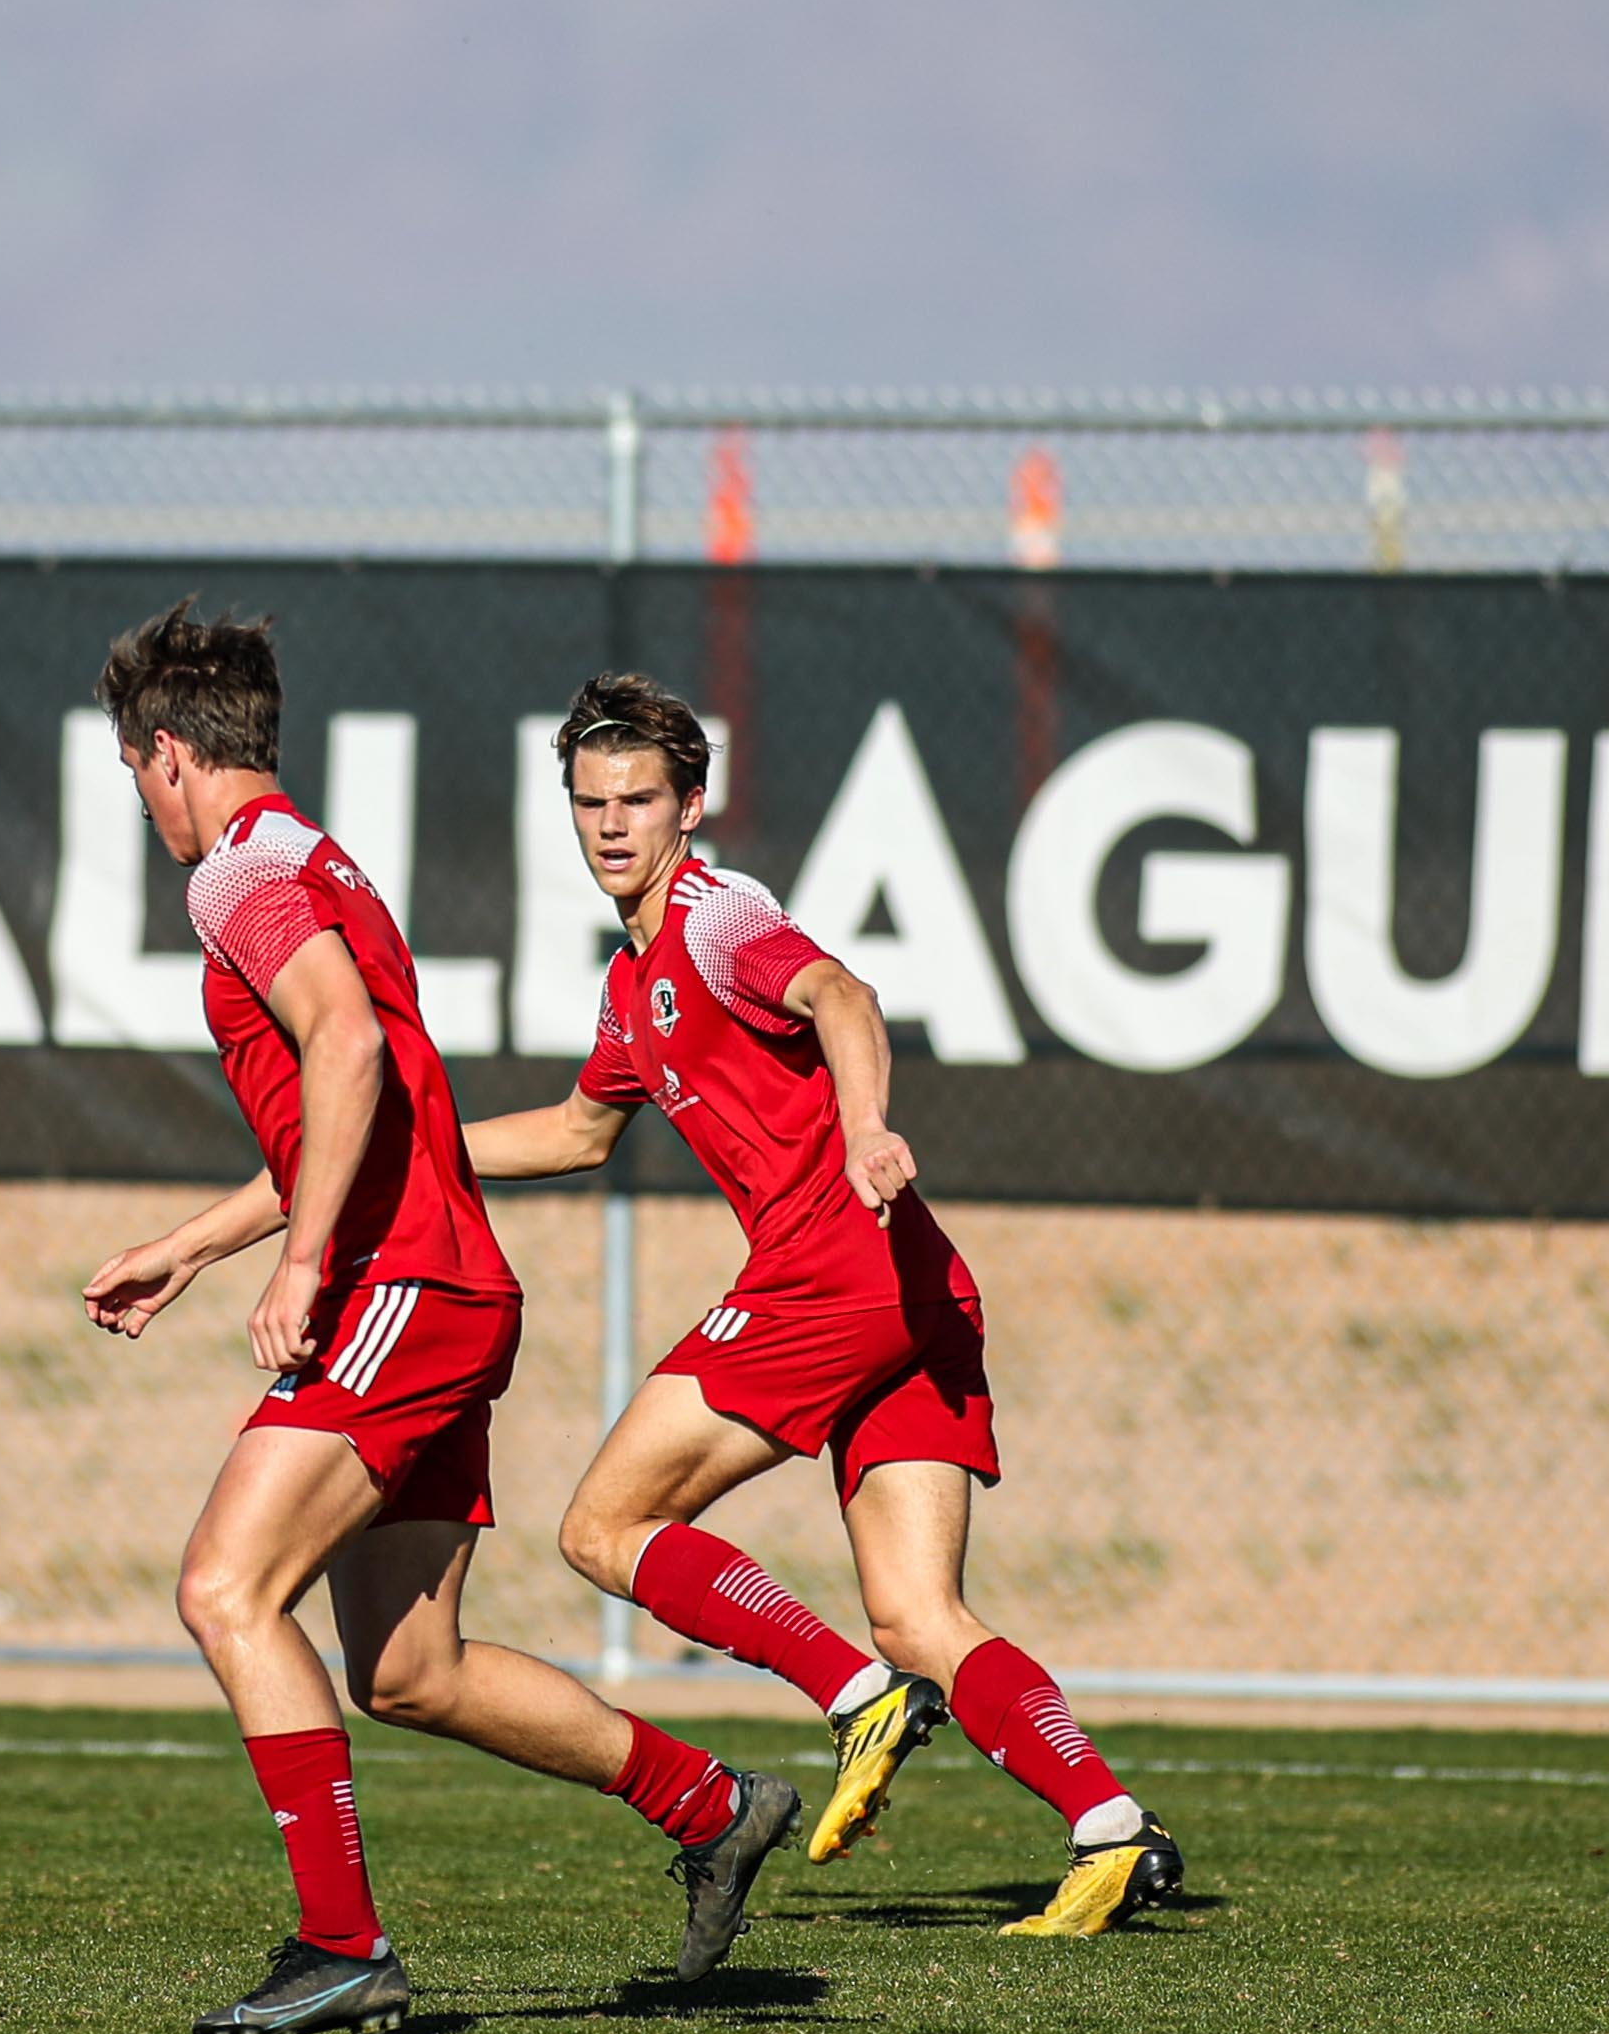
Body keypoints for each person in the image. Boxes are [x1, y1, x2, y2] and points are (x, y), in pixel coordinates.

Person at [79, 606, 801, 2034]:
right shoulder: (310, 855)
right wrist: (209, 1244)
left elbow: (344, 1048)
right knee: (412, 1669)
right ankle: (711, 1806)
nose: (140, 796)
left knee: (227, 1589)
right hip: (441, 1283)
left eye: (131, 768)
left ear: (167, 756)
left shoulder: (236, 875)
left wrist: (300, 1276)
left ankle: (342, 1947)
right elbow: (367, 1102)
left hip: (396, 1292)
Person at [465, 673, 1180, 1936]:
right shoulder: (629, 987)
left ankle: (850, 1696)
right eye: (590, 803)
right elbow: (580, 1132)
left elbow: (841, 996)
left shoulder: (717, 915)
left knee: (600, 1525)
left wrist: (861, 1129)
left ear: (692, 805)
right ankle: (1110, 1827)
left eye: (638, 799)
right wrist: (420, 1148)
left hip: (830, 1269)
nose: (611, 824)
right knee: (918, 1611)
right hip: (910, 1285)